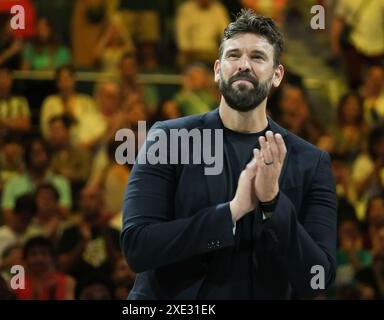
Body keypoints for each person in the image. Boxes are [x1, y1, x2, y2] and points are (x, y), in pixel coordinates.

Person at [121, 9, 337, 299]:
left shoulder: (311, 162)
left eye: (258, 57)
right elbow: (137, 248)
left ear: (277, 76)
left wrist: (273, 203)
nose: (243, 65)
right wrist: (232, 213)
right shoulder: (168, 139)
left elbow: (317, 280)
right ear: (217, 70)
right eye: (233, 55)